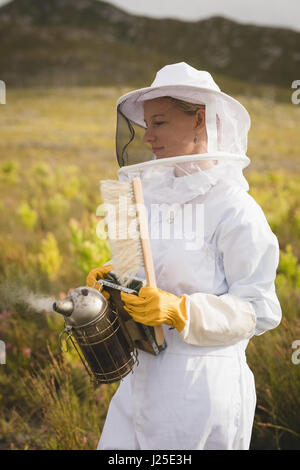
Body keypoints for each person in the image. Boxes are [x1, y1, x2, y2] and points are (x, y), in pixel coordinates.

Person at [86, 62, 282, 450]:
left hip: (201, 389)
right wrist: (113, 280)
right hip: (138, 380)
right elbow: (143, 273)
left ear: (199, 120)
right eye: (145, 126)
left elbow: (259, 309)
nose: (147, 138)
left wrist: (180, 310)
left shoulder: (235, 209)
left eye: (158, 123)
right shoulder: (146, 199)